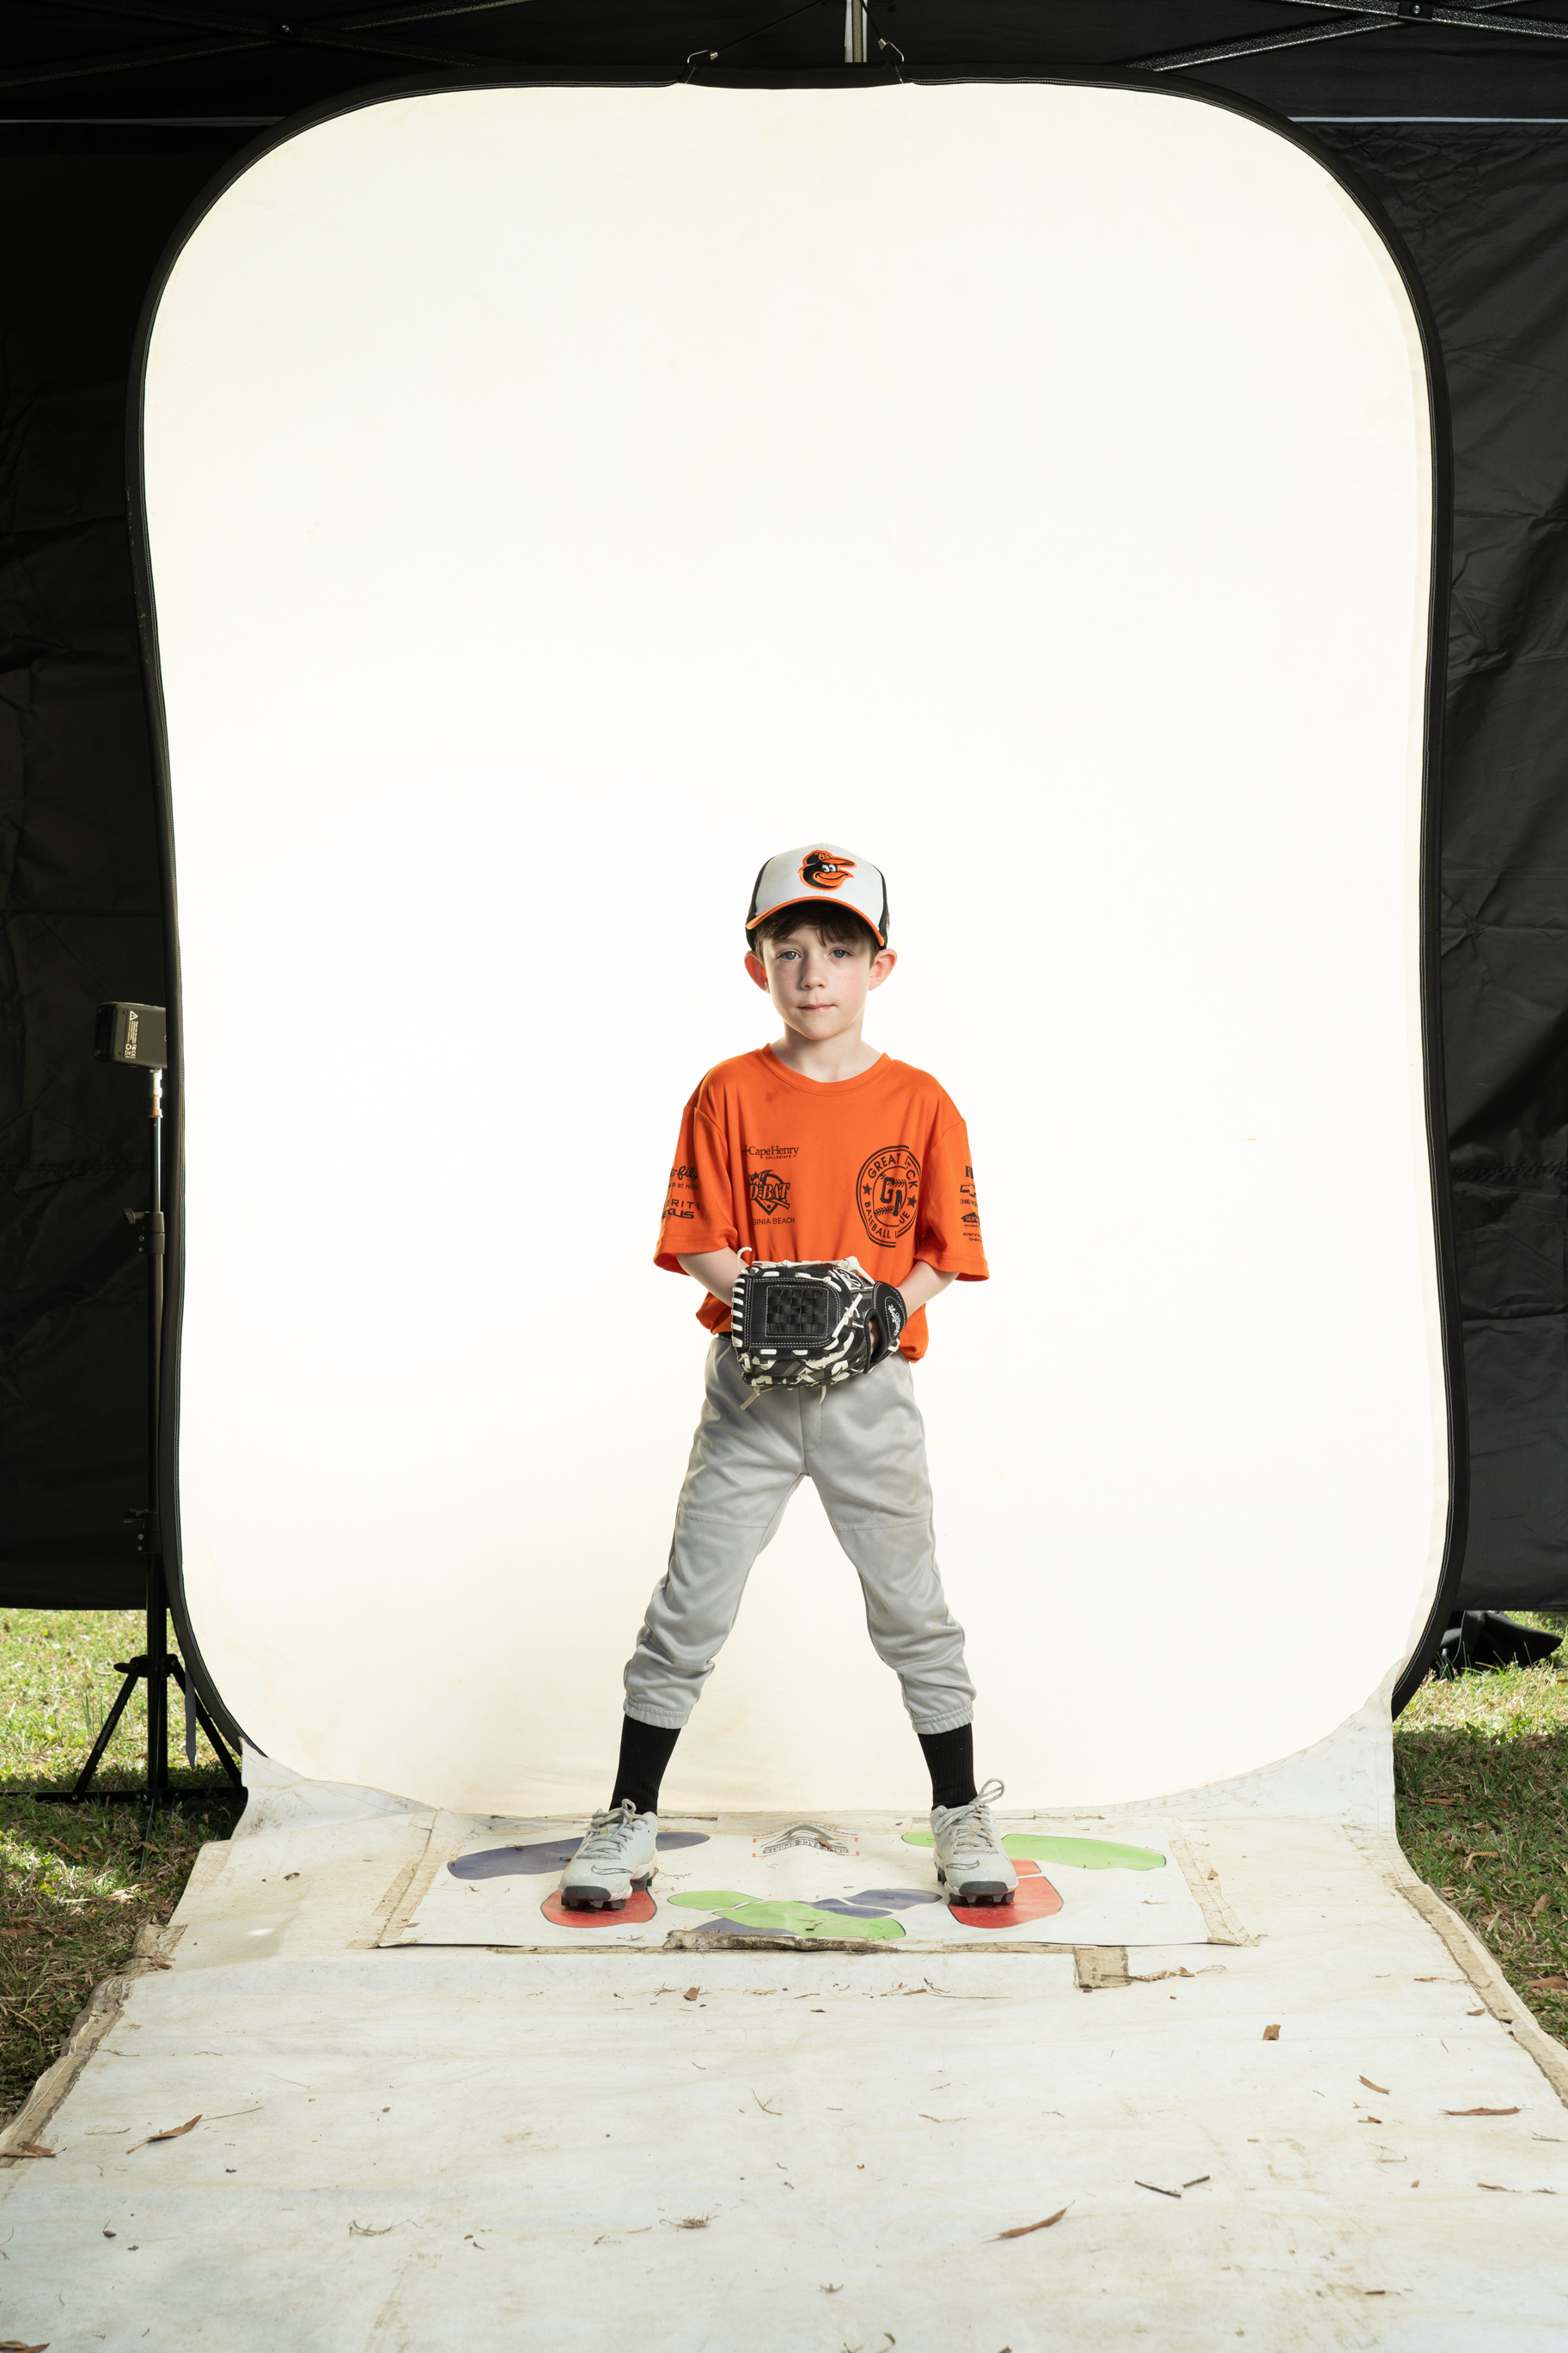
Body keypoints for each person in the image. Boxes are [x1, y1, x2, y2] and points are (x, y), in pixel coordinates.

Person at [557, 843, 1016, 1913]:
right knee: (689, 1604)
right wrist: (774, 1300)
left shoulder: (920, 1101)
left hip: (868, 1393)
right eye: (790, 949)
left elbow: (946, 1249)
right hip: (752, 1395)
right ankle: (628, 1813)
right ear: (755, 962)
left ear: (880, 966)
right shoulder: (726, 1093)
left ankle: (959, 1808)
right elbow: (696, 1234)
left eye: (840, 950)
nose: (814, 973)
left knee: (912, 1608)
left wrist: (882, 1307)